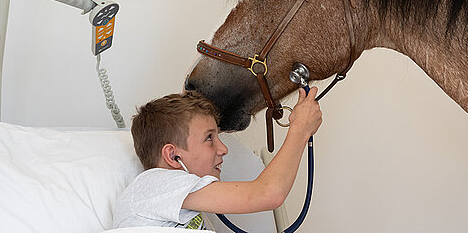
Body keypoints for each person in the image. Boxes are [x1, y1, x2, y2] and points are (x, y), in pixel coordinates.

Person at [112, 87, 322, 230]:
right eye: (209, 138)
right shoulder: (153, 184)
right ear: (173, 156)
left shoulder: (185, 204)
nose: (223, 149)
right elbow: (267, 194)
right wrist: (300, 129)